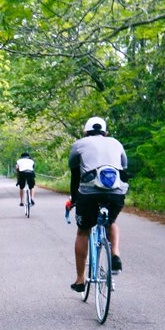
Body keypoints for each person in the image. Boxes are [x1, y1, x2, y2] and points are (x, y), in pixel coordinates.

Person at [68, 116, 128, 292]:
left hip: (89, 193)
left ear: (86, 132)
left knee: (83, 231)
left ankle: (80, 280)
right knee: (111, 222)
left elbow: (75, 174)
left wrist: (74, 199)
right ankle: (115, 254)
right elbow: (124, 168)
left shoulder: (79, 144)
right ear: (105, 132)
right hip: (116, 191)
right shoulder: (116, 143)